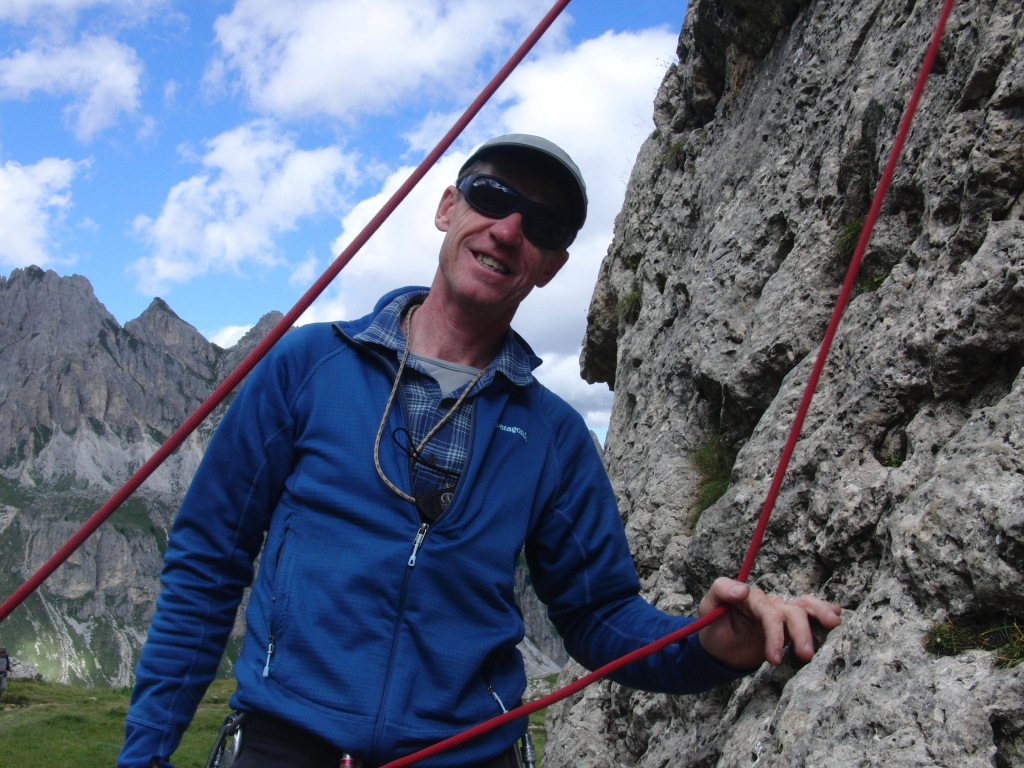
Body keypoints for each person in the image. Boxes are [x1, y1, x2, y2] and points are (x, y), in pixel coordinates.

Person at [119, 134, 842, 768]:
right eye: (491, 197)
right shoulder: (306, 365)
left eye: (543, 224)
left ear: (552, 266)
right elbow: (209, 562)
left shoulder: (556, 435)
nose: (508, 229)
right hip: (285, 743)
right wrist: (146, 751)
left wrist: (706, 646)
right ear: (447, 209)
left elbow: (599, 615)